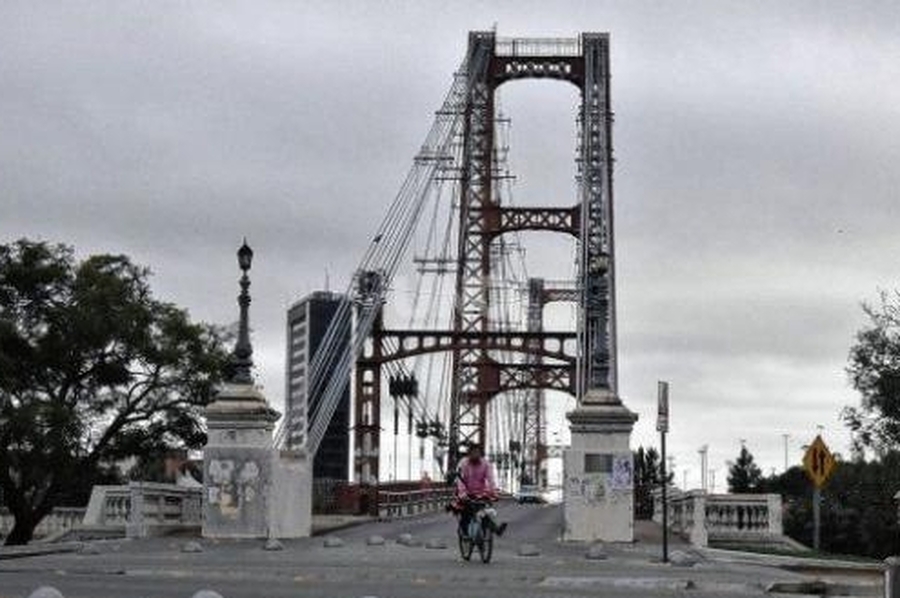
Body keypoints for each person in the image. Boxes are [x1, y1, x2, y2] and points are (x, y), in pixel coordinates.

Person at [451, 444, 507, 537]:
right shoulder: (463, 463)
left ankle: (495, 530)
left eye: (478, 453)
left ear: (481, 454)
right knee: (466, 512)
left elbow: (490, 479)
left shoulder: (486, 464)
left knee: (483, 513)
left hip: (480, 493)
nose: (475, 455)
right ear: (469, 453)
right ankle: (464, 531)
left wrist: (493, 492)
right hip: (465, 492)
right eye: (473, 452)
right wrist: (462, 493)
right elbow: (460, 480)